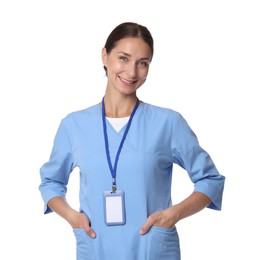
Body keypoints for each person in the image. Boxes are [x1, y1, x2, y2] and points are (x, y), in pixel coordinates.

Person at [39, 22, 225, 260]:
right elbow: (51, 182)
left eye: (143, 63)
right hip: (96, 248)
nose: (132, 72)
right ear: (105, 55)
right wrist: (72, 217)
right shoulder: (73, 125)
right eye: (123, 58)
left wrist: (173, 214)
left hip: (152, 249)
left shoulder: (168, 123)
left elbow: (210, 180)